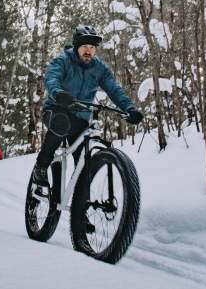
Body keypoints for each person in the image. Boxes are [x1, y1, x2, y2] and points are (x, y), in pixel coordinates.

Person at [31, 25, 143, 187]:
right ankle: (41, 166)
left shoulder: (99, 68)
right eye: (84, 47)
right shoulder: (63, 60)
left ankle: (80, 199)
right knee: (61, 123)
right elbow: (51, 78)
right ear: (77, 47)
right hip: (56, 110)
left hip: (80, 117)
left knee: (84, 161)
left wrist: (129, 108)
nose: (88, 51)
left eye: (92, 47)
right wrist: (59, 93)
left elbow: (114, 89)